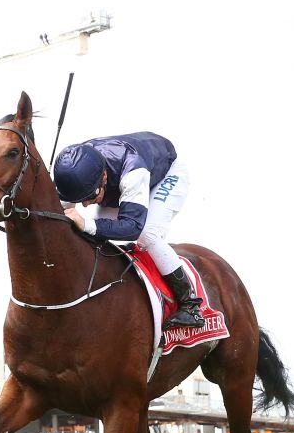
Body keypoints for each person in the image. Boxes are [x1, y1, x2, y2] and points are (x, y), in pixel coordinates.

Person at [54, 133, 204, 329]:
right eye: (81, 197)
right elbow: (58, 210)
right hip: (121, 178)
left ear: (104, 176)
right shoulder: (75, 167)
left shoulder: (133, 171)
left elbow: (133, 227)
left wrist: (87, 224)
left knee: (147, 233)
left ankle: (190, 305)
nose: (85, 204)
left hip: (166, 172)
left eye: (90, 196)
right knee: (93, 228)